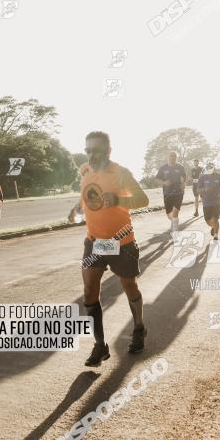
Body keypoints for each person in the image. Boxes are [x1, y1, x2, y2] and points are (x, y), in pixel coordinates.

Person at [68, 131, 149, 366]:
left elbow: (142, 200)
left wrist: (118, 200)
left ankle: (139, 328)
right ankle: (100, 345)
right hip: (95, 241)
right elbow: (87, 196)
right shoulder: (85, 171)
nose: (92, 155)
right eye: (88, 150)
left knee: (129, 285)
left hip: (121, 241)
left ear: (109, 151)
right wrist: (77, 208)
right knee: (89, 290)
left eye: (97, 150)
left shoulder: (120, 173)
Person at [155, 152, 186, 236]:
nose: (172, 157)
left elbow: (183, 178)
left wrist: (183, 184)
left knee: (175, 212)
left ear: (176, 158)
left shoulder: (180, 167)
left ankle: (175, 232)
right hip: (167, 193)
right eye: (171, 156)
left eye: (174, 156)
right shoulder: (163, 168)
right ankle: (173, 223)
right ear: (167, 157)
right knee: (169, 215)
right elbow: (157, 179)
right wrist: (165, 183)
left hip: (178, 193)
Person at [197, 162, 220, 241]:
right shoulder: (202, 178)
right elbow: (198, 190)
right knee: (208, 220)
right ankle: (213, 227)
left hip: (217, 201)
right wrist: (204, 190)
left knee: (215, 218)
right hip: (206, 202)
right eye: (208, 168)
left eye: (211, 168)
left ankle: (216, 236)